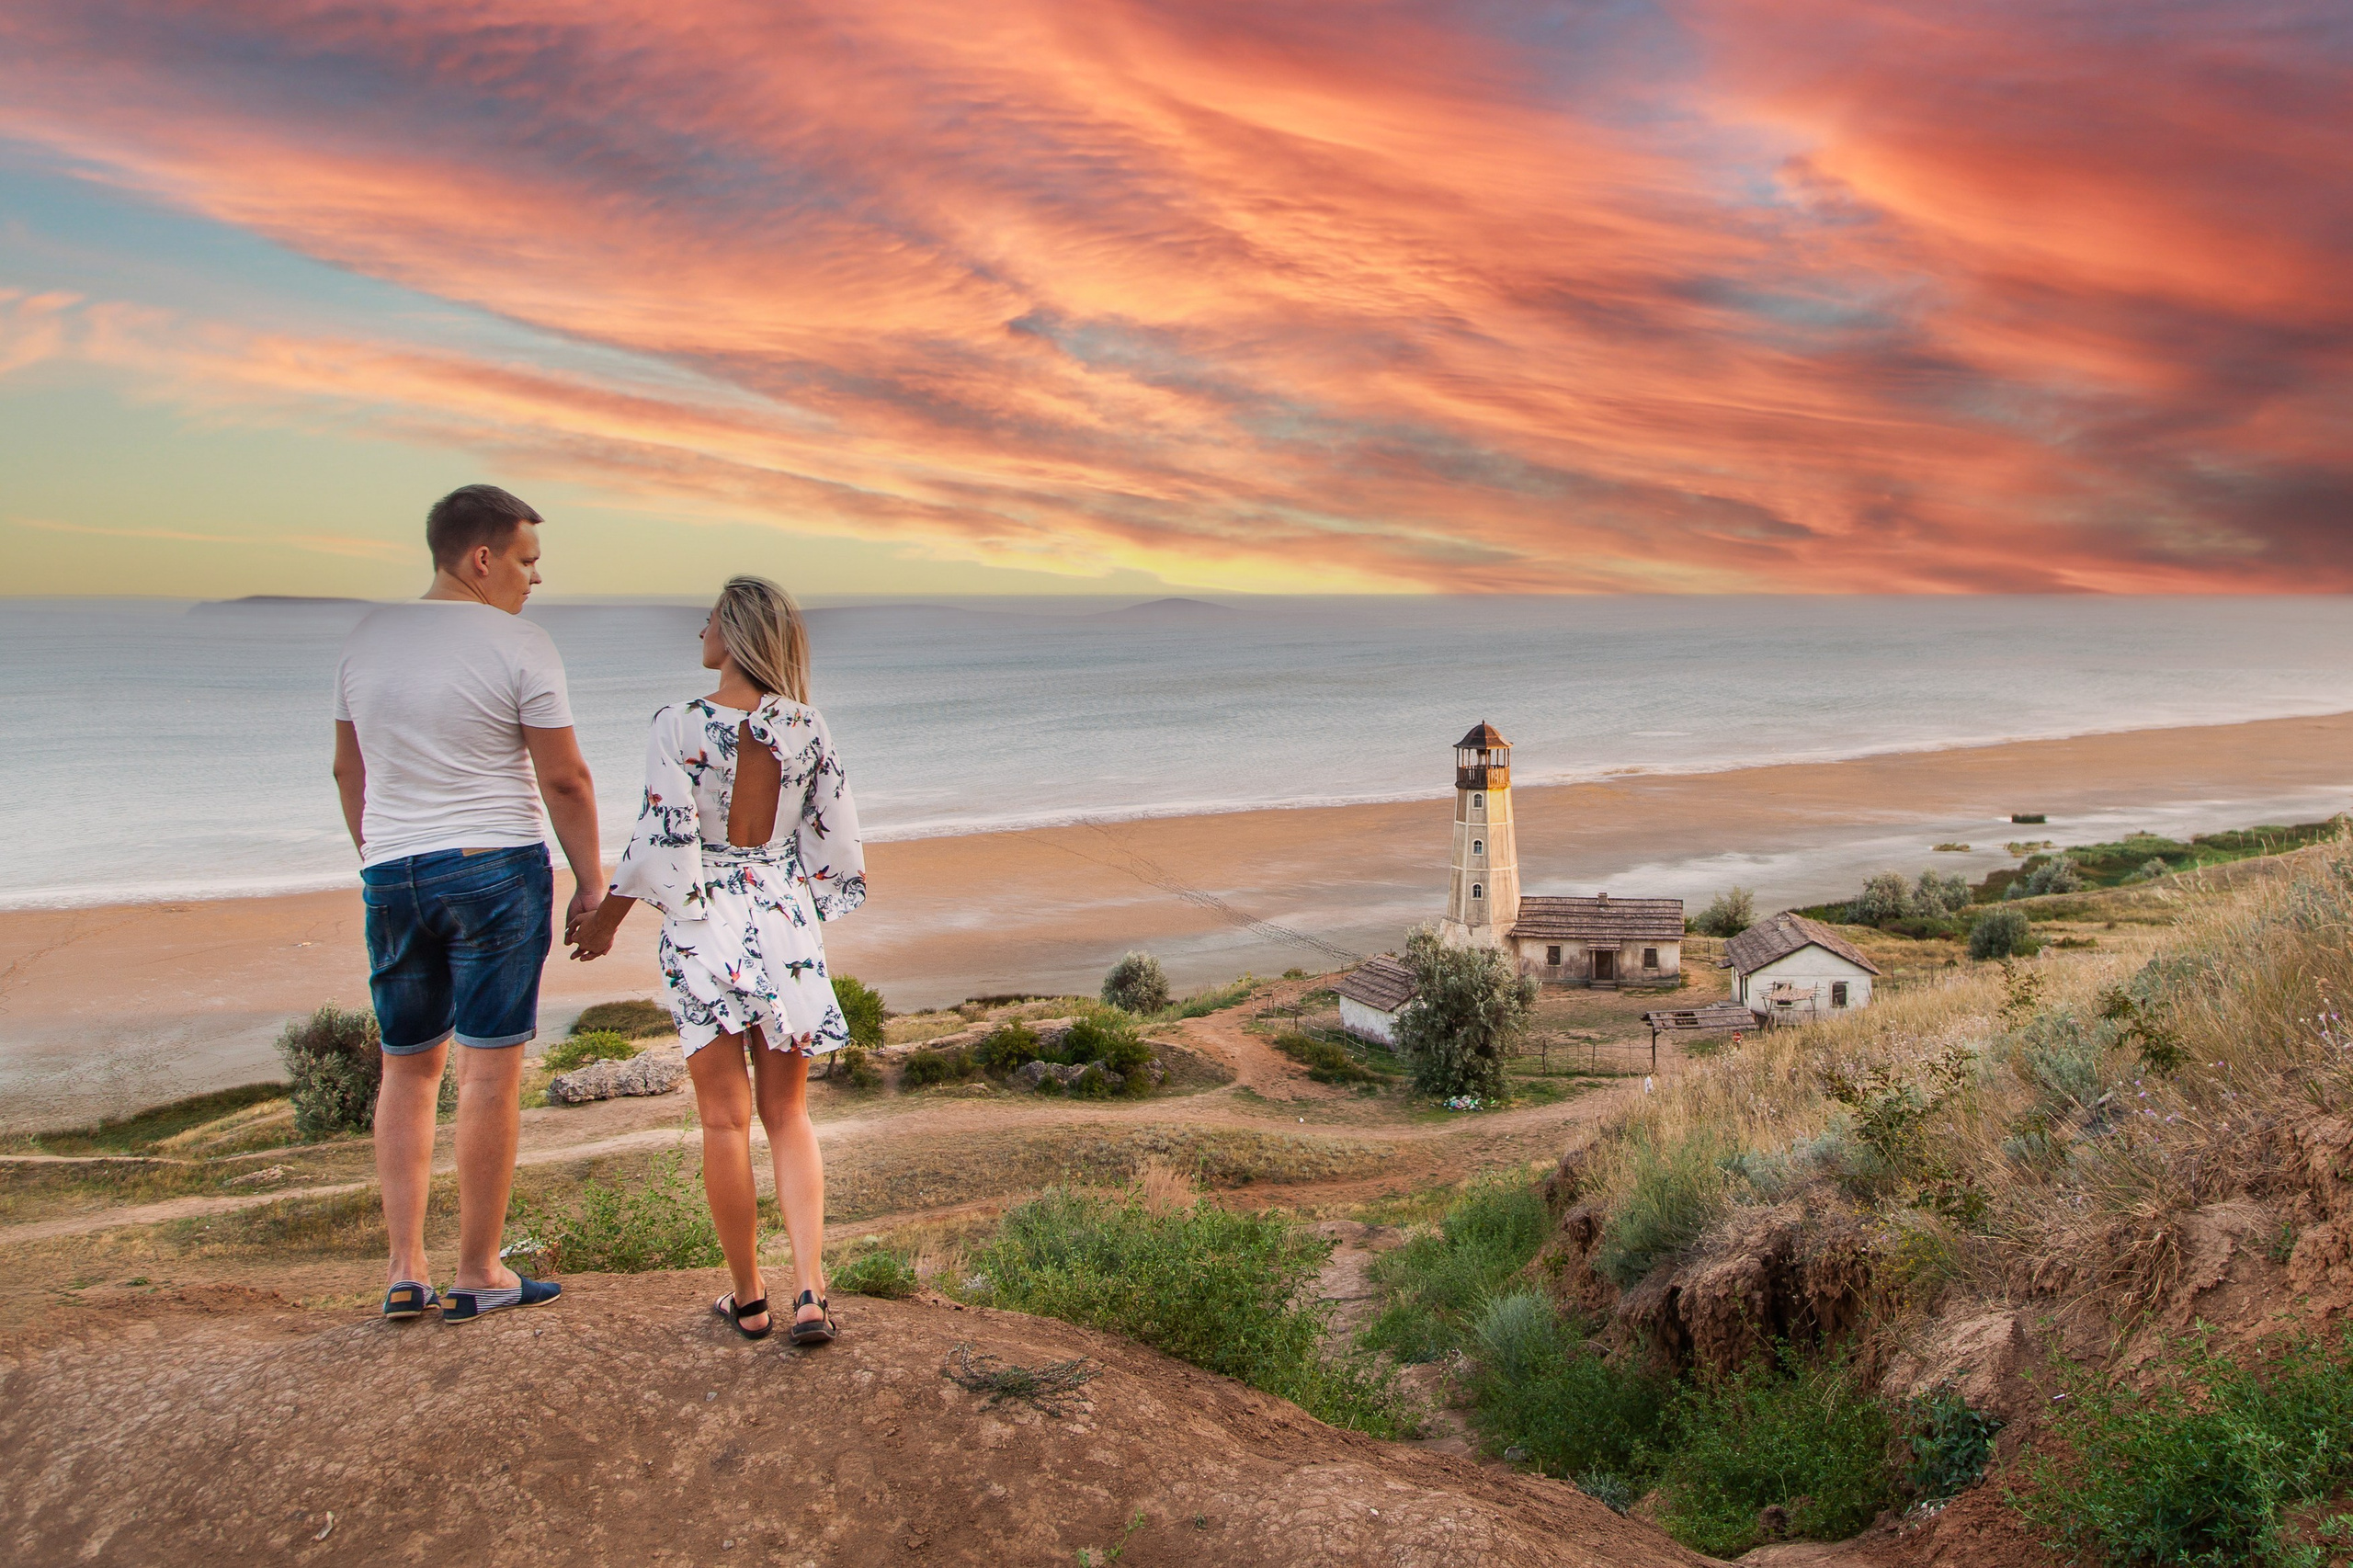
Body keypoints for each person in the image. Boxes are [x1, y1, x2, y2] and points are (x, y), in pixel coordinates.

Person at [567, 575, 865, 1346]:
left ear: (732, 634)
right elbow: (831, 841)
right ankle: (811, 1293)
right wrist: (802, 909)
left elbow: (661, 836)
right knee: (789, 1115)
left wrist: (607, 919)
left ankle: (749, 1299)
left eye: (706, 622)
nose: (697, 632)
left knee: (724, 1123)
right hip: (783, 916)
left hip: (706, 922)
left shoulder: (677, 723)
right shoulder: (809, 727)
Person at [332, 483, 604, 1324]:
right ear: (481, 559)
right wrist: (592, 882)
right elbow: (564, 777)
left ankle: (405, 1270)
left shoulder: (365, 638)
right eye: (526, 561)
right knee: (489, 1070)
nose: (534, 580)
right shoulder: (519, 644)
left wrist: (380, 858)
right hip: (494, 866)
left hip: (394, 871)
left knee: (407, 1069)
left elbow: (351, 773)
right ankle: (480, 1269)